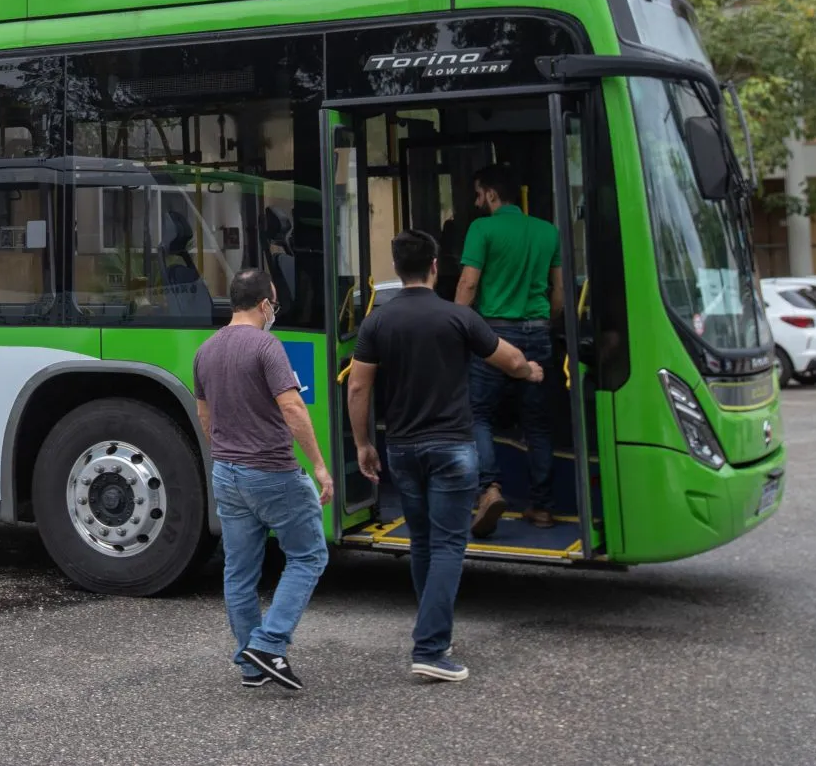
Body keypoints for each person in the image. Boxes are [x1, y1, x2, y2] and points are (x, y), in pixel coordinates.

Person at [348, 229, 541, 682]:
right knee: (450, 544)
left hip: (403, 448)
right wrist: (530, 371)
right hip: (452, 448)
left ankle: (435, 634)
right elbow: (510, 360)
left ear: (397, 269)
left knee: (422, 543)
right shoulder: (458, 317)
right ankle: (431, 649)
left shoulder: (377, 322)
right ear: (435, 267)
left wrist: (362, 444)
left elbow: (357, 386)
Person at [194, 268, 334, 692]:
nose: (274, 310)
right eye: (274, 303)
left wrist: (228, 452)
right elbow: (292, 407)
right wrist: (319, 466)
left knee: (239, 571)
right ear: (264, 305)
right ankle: (269, 643)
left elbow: (204, 417)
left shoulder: (206, 350)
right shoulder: (266, 345)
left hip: (226, 473)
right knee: (309, 556)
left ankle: (251, 666)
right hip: (272, 472)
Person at [454, 164, 564, 535]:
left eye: (478, 194)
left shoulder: (482, 229)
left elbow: (468, 285)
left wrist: (456, 326)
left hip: (494, 336)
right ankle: (543, 507)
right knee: (537, 425)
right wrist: (546, 323)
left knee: (477, 414)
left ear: (491, 193)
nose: (476, 202)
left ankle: (489, 489)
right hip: (538, 333)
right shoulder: (548, 231)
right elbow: (559, 293)